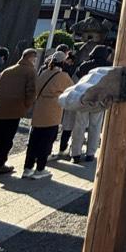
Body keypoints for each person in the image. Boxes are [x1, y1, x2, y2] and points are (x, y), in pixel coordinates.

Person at [0, 48, 38, 176]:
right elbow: (31, 91)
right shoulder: (30, 71)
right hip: (13, 110)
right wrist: (26, 107)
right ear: (32, 58)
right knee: (5, 139)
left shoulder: (7, 70)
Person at [23, 51, 73, 179]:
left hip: (39, 108)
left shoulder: (44, 72)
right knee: (46, 141)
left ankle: (27, 168)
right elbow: (71, 90)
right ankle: (40, 169)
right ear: (63, 62)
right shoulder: (63, 76)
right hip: (52, 110)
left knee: (34, 141)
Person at [71, 45, 112, 163]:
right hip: (99, 100)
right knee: (95, 126)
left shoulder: (85, 65)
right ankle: (90, 154)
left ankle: (76, 154)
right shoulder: (109, 67)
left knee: (79, 125)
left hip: (84, 98)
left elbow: (77, 80)